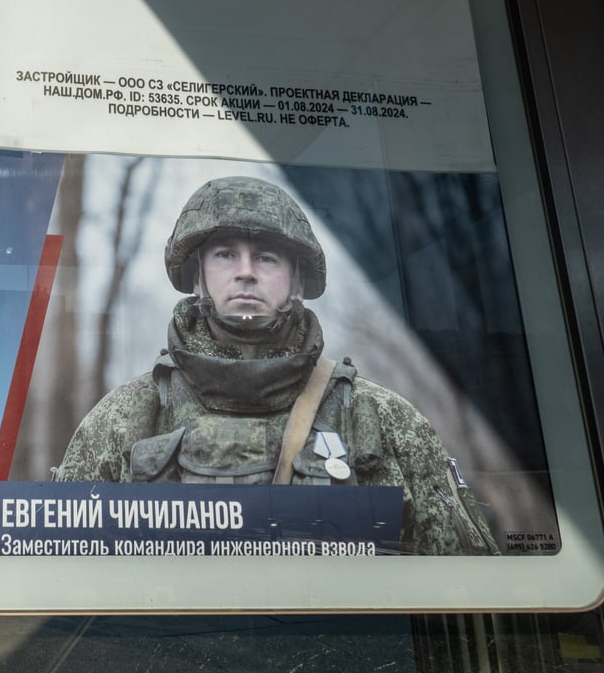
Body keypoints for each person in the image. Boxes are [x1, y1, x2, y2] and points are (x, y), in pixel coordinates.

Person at [55, 176, 498, 556]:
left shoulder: (382, 420)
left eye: (266, 257)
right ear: (197, 276)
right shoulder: (124, 420)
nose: (246, 272)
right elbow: (59, 589)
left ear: (297, 280)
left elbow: (471, 595)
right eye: (225, 254)